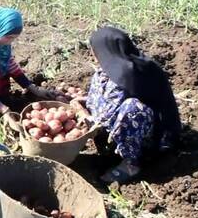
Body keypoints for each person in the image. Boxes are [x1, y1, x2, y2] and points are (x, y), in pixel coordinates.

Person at [74, 27, 181, 184]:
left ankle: (132, 164)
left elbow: (108, 112)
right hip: (124, 124)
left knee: (133, 109)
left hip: (151, 136)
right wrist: (82, 103)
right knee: (99, 80)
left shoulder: (131, 73)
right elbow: (102, 99)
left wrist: (87, 117)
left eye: (95, 50)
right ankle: (114, 143)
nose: (94, 54)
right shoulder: (112, 68)